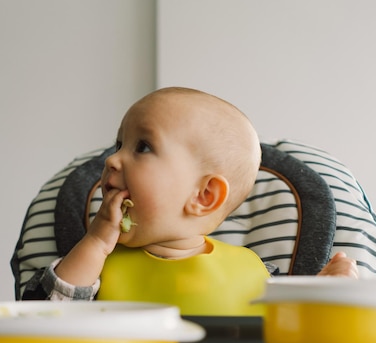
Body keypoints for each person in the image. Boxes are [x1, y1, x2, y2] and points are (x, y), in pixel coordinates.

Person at [34, 87, 358, 315]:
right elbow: (45, 317)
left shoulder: (262, 275)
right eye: (119, 144)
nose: (112, 160)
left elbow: (295, 334)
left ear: (203, 196)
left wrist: (323, 294)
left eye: (142, 147)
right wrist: (96, 242)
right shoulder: (91, 268)